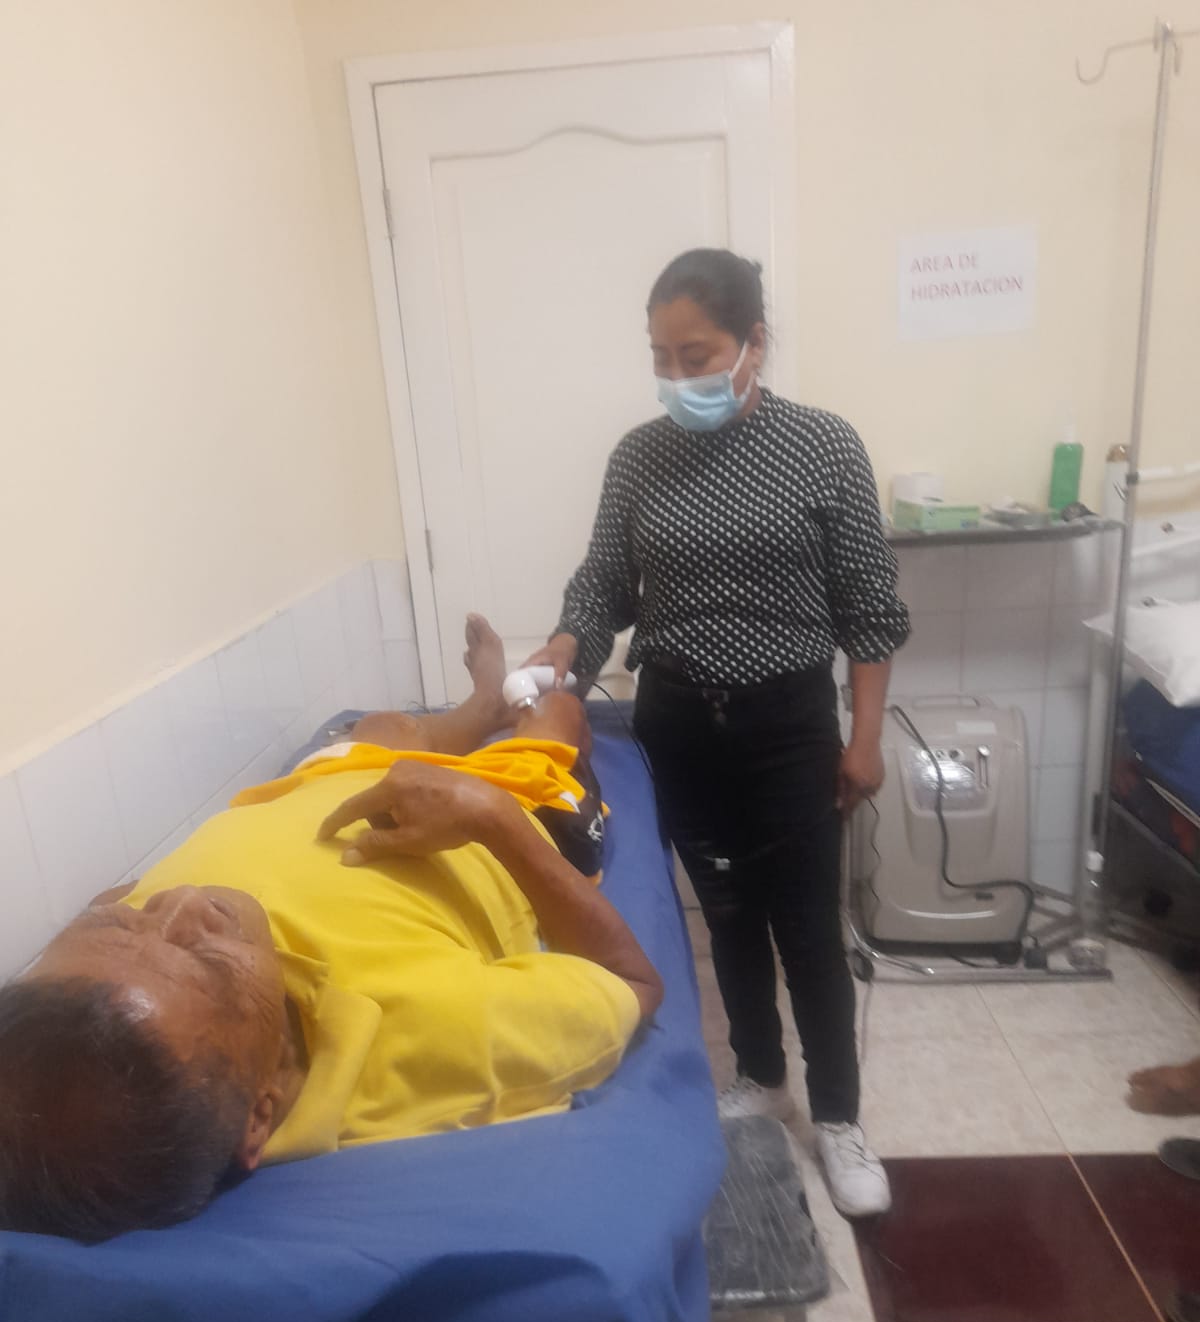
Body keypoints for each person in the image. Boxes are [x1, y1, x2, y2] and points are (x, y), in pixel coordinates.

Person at [0, 617, 661, 1243]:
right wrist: (488, 814)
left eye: (124, 923)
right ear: (260, 1113)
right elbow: (632, 983)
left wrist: (125, 922)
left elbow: (120, 913)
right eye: (204, 957)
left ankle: (484, 702)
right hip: (488, 814)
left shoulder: (116, 994)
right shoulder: (437, 1036)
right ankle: (507, 714)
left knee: (385, 726)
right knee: (557, 713)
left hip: (322, 783)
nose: (180, 901)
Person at [525, 249, 910, 1217]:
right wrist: (559, 651)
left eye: (695, 356)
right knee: (727, 915)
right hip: (679, 724)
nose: (676, 377)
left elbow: (869, 607)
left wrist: (864, 738)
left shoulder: (822, 446)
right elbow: (602, 587)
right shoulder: (638, 458)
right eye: (661, 358)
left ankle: (839, 1117)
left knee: (807, 925)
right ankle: (761, 1075)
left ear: (754, 344)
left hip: (788, 724)